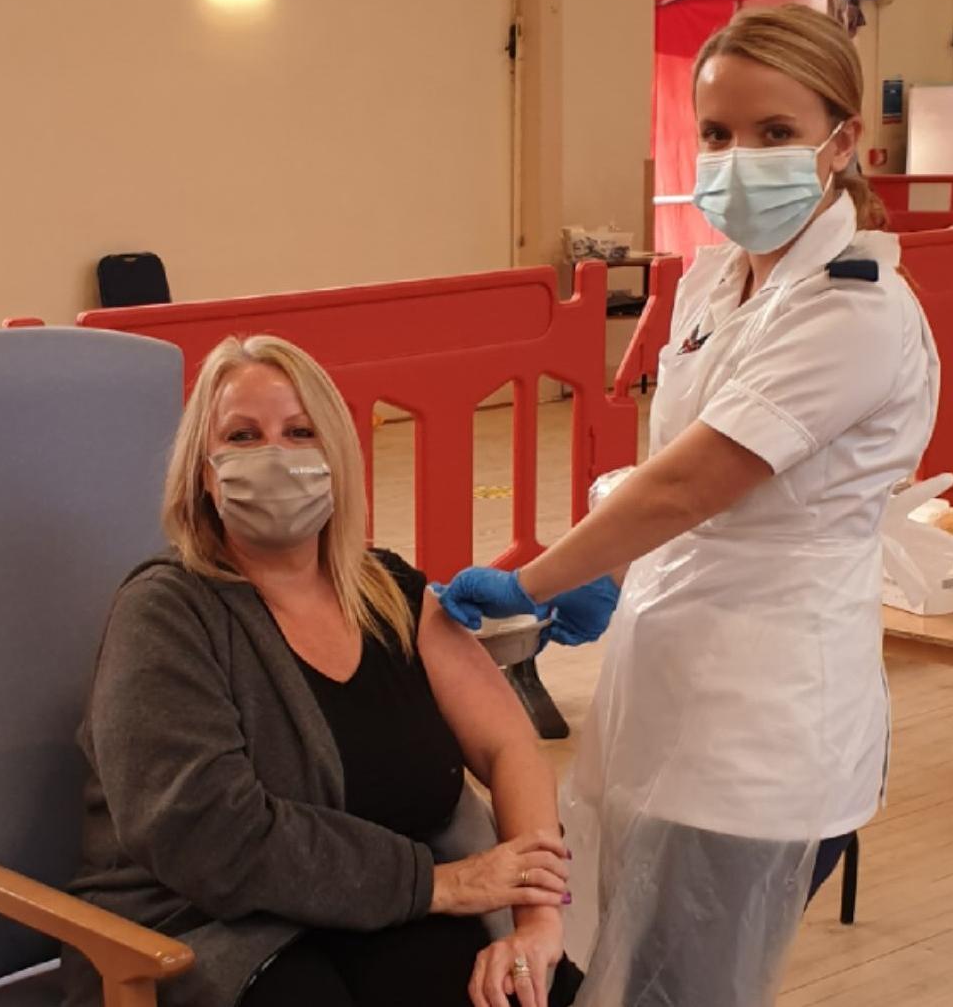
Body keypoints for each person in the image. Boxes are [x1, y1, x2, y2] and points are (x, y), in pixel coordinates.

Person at [436, 5, 940, 1006]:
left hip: (759, 723)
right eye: (715, 134)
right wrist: (611, 568)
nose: (736, 158)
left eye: (773, 134)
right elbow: (671, 470)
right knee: (601, 957)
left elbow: (691, 481)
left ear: (843, 142)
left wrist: (531, 586)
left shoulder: (852, 308)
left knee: (681, 987)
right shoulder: (718, 278)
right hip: (668, 683)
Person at [64, 335, 612, 1007]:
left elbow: (509, 748)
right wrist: (440, 885)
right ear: (203, 473)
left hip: (377, 915)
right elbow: (207, 838)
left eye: (300, 432)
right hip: (201, 933)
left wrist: (537, 922)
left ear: (336, 458)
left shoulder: (389, 592)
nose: (274, 455)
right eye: (242, 435)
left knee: (528, 991)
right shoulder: (166, 614)